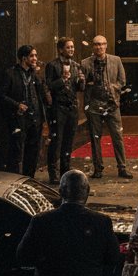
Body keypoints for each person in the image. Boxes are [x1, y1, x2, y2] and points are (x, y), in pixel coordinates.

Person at [81, 35, 132, 180]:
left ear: (106, 45)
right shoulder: (85, 63)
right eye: (97, 44)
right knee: (95, 137)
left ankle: (122, 167)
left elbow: (122, 81)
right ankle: (98, 168)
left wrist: (111, 88)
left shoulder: (116, 60)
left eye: (102, 44)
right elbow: (81, 85)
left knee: (117, 136)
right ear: (93, 46)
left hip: (112, 104)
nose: (99, 47)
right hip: (94, 104)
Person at [0, 45, 49, 178]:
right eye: (32, 56)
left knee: (33, 152)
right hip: (18, 118)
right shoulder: (10, 73)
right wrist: (17, 105)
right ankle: (13, 179)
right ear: (23, 58)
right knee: (16, 152)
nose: (35, 59)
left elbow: (43, 97)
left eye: (36, 56)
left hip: (35, 118)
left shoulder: (34, 74)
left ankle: (29, 179)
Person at [44, 38, 85, 185]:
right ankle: (53, 173)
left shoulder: (76, 66)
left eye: (73, 47)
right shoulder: (52, 65)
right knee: (56, 141)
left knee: (69, 141)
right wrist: (62, 79)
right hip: (58, 107)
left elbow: (80, 88)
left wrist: (81, 81)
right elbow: (49, 86)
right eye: (68, 47)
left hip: (72, 107)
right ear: (61, 49)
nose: (71, 50)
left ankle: (65, 171)